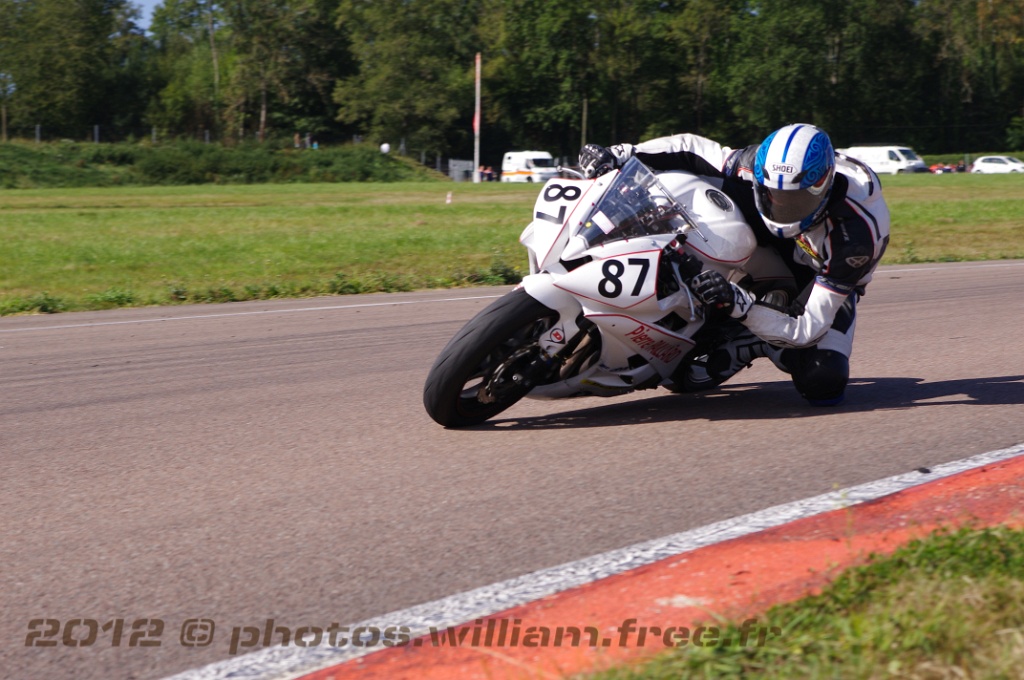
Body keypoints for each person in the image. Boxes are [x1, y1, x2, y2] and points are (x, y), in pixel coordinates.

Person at [577, 124, 890, 405]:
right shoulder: (759, 164)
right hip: (772, 228)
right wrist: (618, 154)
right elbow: (693, 150)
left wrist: (742, 307)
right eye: (772, 193)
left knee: (823, 380)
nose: (781, 206)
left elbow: (807, 328)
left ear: (822, 188)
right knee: (697, 180)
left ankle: (752, 342)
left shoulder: (856, 239)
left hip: (819, 271)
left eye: (795, 200)